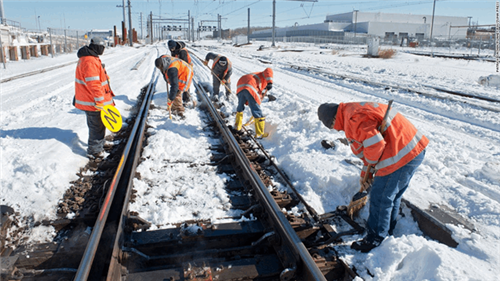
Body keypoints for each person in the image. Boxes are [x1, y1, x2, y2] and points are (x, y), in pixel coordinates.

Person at [317, 101, 428, 252]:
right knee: (391, 196)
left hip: (399, 154)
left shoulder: (352, 120)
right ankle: (387, 229)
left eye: (333, 127)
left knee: (380, 197)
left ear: (333, 120)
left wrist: (370, 167)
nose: (337, 131)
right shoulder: (351, 110)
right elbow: (367, 153)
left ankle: (375, 238)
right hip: (413, 149)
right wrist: (365, 176)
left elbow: (375, 146)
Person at [74, 37, 115, 159]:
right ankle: (94, 151)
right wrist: (99, 101)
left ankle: (99, 144)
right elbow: (94, 84)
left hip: (93, 100)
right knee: (96, 126)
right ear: (98, 47)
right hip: (93, 102)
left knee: (100, 124)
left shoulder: (90, 58)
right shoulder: (89, 61)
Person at [234, 68, 273, 138]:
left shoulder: (256, 77)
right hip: (249, 86)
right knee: (256, 109)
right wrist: (270, 82)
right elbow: (268, 70)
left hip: (240, 86)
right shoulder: (263, 75)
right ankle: (260, 133)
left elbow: (258, 93)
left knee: (240, 107)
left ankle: (238, 126)